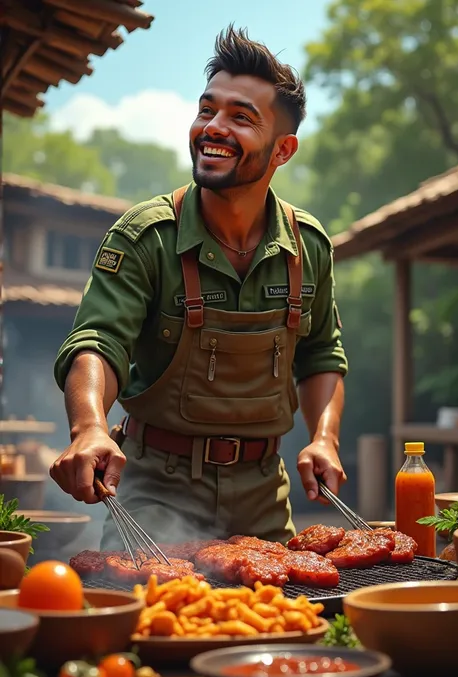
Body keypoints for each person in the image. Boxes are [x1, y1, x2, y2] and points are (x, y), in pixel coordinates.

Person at [51, 26, 349, 551]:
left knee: (278, 626)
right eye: (206, 110)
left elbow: (323, 352)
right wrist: (90, 428)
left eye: (241, 117)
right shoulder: (145, 237)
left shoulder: (310, 249)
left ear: (283, 150)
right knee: (149, 622)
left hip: (264, 497)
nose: (213, 127)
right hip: (152, 492)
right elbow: (98, 342)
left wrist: (324, 438)